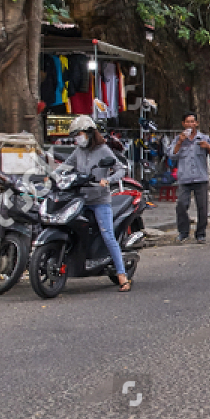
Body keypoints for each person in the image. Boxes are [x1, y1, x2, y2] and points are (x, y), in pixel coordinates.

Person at [65, 116, 132, 290]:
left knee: (108, 235)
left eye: (79, 134)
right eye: (75, 135)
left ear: (88, 133)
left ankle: (122, 275)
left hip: (99, 201)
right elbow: (66, 165)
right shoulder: (78, 150)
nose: (77, 138)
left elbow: (120, 169)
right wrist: (51, 176)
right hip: (80, 199)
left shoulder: (103, 150)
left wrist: (108, 180)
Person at [172, 112, 210, 244]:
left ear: (196, 123)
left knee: (202, 207)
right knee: (181, 205)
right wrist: (180, 142)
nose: (190, 124)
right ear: (183, 124)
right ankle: (183, 232)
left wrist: (209, 147)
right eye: (187, 122)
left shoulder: (203, 138)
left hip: (200, 178)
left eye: (192, 121)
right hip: (184, 178)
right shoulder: (178, 139)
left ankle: (200, 233)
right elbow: (171, 155)